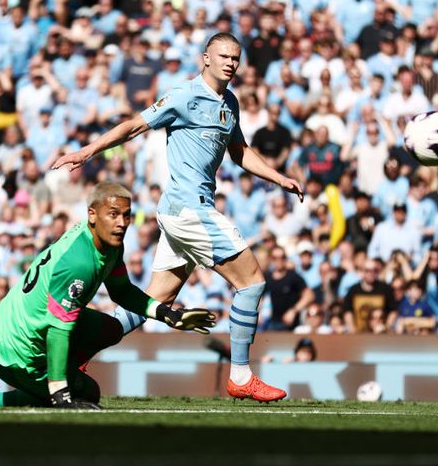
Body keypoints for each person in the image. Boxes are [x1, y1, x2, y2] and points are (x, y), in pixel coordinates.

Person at [53, 33, 303, 402]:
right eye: (223, 56)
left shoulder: (229, 102)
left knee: (152, 302)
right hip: (189, 208)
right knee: (251, 282)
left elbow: (240, 152)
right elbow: (134, 125)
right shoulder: (184, 95)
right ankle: (240, 375)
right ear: (206, 58)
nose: (230, 63)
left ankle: (75, 357)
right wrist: (89, 150)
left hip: (182, 212)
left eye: (235, 57)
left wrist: (279, 177)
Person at [0, 182, 215, 409]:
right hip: (16, 350)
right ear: (92, 214)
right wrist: (60, 393)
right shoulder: (80, 262)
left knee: (110, 329)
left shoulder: (107, 244)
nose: (121, 223)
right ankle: (4, 396)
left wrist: (168, 314)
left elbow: (121, 292)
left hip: (25, 321)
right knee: (88, 393)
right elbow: (57, 331)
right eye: (113, 214)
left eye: (127, 215)